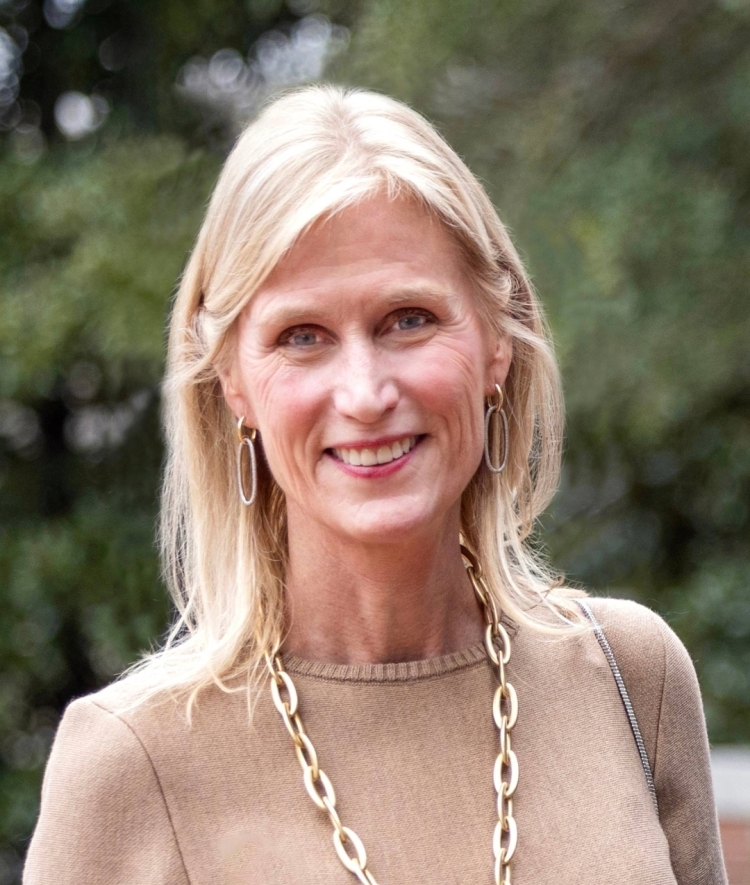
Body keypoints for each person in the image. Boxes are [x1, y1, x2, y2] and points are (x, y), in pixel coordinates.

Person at [23, 85, 727, 885]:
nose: (364, 393)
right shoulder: (131, 761)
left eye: (409, 318)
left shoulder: (632, 678)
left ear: (496, 341)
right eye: (302, 335)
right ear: (235, 385)